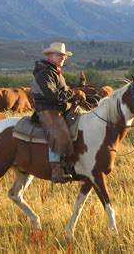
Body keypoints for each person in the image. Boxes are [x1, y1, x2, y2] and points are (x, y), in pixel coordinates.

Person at [31, 42, 82, 183]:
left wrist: (75, 93)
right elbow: (52, 95)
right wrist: (72, 93)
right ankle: (56, 170)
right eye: (59, 55)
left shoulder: (55, 72)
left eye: (64, 56)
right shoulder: (44, 73)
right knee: (59, 134)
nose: (62, 58)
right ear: (50, 55)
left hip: (59, 107)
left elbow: (62, 92)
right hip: (47, 108)